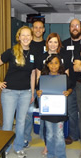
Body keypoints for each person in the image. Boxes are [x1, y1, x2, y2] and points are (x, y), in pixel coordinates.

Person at [0, 26, 36, 158]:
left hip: (25, 93)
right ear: (18, 37)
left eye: (28, 35)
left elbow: (33, 74)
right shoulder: (11, 51)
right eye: (23, 35)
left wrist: (32, 92)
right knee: (7, 122)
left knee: (21, 122)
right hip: (10, 93)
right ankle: (4, 148)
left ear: (31, 37)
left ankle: (18, 147)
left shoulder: (33, 53)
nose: (25, 38)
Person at [36, 32, 70, 156]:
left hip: (59, 94)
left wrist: (66, 90)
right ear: (47, 43)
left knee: (58, 125)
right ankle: (47, 146)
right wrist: (38, 90)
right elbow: (39, 76)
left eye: (55, 42)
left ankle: (57, 147)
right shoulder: (42, 57)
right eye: (50, 42)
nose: (53, 44)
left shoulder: (63, 56)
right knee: (46, 124)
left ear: (59, 44)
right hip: (46, 94)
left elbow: (66, 75)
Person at [37, 54, 73, 158]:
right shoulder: (43, 78)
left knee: (59, 135)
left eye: (56, 63)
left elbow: (71, 87)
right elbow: (39, 91)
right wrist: (38, 94)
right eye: (51, 63)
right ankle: (51, 155)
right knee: (49, 134)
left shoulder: (64, 77)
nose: (53, 65)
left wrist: (68, 92)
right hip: (48, 111)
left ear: (60, 64)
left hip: (59, 111)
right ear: (47, 64)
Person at [62, 18, 81, 150]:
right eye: (72, 26)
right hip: (70, 83)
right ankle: (73, 135)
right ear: (69, 28)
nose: (75, 28)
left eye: (77, 25)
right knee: (71, 111)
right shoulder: (64, 44)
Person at [24, 19, 46, 149]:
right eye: (35, 27)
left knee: (44, 112)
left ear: (43, 30)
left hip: (44, 86)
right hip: (28, 86)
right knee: (28, 113)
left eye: (40, 27)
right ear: (33, 29)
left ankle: (44, 137)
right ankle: (26, 137)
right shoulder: (27, 44)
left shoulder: (47, 44)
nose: (38, 30)